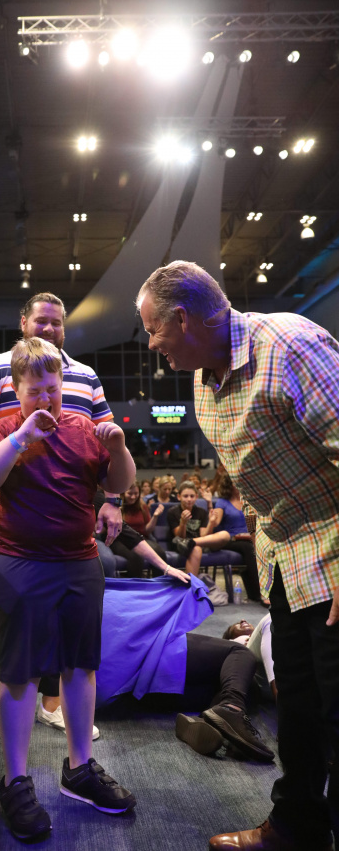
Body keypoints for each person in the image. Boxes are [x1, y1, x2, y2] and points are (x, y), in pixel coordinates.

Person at [138, 259, 339, 851]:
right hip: (284, 561)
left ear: (183, 318)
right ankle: (296, 829)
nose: (151, 345)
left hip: (332, 554)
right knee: (296, 704)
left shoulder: (290, 346)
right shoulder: (202, 382)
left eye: (153, 329)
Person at [0, 337, 137, 839]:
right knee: (19, 674)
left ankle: (79, 770)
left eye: (52, 390)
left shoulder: (82, 428)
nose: (45, 399)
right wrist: (21, 436)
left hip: (79, 563)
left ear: (63, 385)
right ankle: (16, 780)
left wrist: (118, 448)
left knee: (80, 667)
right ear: (16, 390)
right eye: (34, 391)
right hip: (21, 563)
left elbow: (119, 483)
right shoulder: (3, 429)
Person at [0, 291, 121, 741]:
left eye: (56, 321)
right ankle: (2, 698)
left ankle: (53, 702)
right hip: (11, 495)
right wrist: (11, 451)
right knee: (9, 609)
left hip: (70, 503)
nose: (49, 328)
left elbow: (108, 438)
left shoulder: (84, 374)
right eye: (41, 320)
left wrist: (112, 499)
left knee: (69, 610)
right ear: (23, 322)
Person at [96, 579, 274, 764]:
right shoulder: (234, 648)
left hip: (144, 691)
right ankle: (231, 709)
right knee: (240, 653)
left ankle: (210, 724)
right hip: (154, 663)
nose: (243, 620)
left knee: (249, 688)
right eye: (235, 625)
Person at [178, 472, 261, 601]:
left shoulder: (248, 501)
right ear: (230, 484)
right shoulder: (223, 502)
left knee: (256, 547)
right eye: (236, 482)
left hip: (247, 538)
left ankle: (257, 593)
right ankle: (259, 593)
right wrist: (209, 505)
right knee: (248, 548)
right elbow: (215, 522)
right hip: (229, 539)